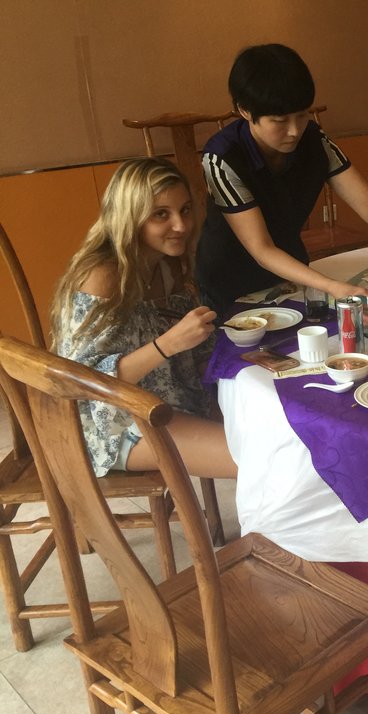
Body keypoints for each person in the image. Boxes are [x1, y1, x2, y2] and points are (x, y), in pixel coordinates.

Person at [196, 43, 368, 314]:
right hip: (231, 287)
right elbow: (262, 250)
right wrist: (331, 286)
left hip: (293, 278)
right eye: (280, 121)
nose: (294, 131)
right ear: (244, 110)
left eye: (302, 115)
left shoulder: (314, 140)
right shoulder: (222, 158)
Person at [51, 158, 237, 479]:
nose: (181, 225)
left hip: (167, 403)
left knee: (281, 440)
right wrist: (168, 344)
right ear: (131, 217)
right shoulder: (102, 276)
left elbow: (197, 353)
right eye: (161, 214)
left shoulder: (167, 264)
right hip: (111, 426)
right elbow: (80, 382)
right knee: (257, 460)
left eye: (185, 210)